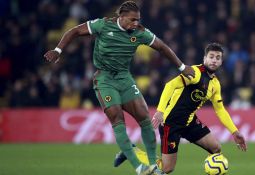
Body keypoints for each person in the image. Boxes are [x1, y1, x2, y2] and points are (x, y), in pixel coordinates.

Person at [44, 1, 195, 175]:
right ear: (121, 17)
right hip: (104, 79)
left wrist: (182, 67)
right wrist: (58, 50)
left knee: (145, 117)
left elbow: (162, 47)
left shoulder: (140, 33)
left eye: (138, 19)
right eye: (132, 20)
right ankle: (139, 167)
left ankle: (153, 165)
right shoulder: (103, 24)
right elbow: (75, 31)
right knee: (117, 118)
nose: (136, 23)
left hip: (124, 77)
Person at [114, 43, 247, 174]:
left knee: (216, 148)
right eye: (211, 56)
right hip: (171, 123)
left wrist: (235, 132)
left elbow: (220, 110)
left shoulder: (215, 84)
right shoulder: (195, 73)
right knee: (167, 168)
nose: (214, 60)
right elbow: (169, 86)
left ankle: (212, 170)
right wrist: (160, 111)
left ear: (221, 62)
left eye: (218, 58)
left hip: (189, 122)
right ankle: (131, 152)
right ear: (204, 58)